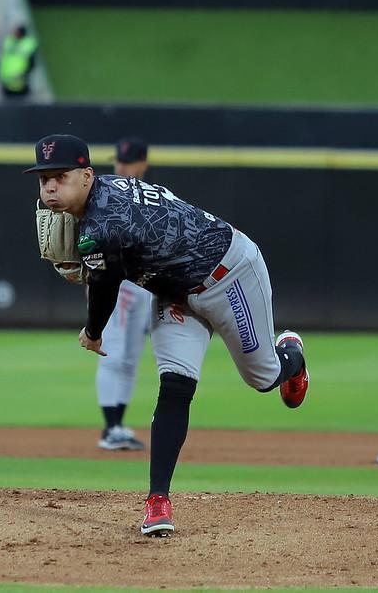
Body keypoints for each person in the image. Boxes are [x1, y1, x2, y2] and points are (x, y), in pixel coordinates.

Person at [26, 134, 309, 536]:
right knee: (175, 384)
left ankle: (291, 355)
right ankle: (158, 501)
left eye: (60, 177)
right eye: (43, 180)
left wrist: (92, 332)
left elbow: (105, 287)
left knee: (263, 378)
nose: (50, 188)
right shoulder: (101, 196)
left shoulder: (103, 227)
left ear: (87, 175)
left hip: (230, 275)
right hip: (174, 293)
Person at [94, 138, 151, 451]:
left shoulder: (151, 195)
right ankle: (109, 427)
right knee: (112, 351)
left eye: (128, 162)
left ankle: (118, 425)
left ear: (143, 163)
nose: (121, 167)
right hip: (116, 279)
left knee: (130, 357)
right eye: (119, 161)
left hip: (143, 283)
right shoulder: (105, 192)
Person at [0, 24, 37, 99]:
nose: (14, 33)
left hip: (21, 83)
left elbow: (32, 63)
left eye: (16, 31)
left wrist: (24, 74)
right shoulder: (9, 41)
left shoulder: (29, 44)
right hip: (7, 81)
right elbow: (4, 58)